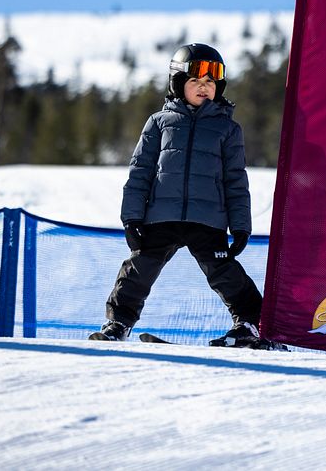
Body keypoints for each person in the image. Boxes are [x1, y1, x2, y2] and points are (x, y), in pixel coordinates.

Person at [90, 43, 264, 348]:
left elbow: (236, 180)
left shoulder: (228, 129)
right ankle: (118, 324)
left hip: (207, 219)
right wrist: (132, 217)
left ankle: (250, 323)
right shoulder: (159, 122)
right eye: (196, 81)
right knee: (138, 270)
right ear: (178, 83)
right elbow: (140, 172)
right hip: (161, 216)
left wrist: (240, 226)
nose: (204, 88)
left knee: (224, 271)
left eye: (210, 82)